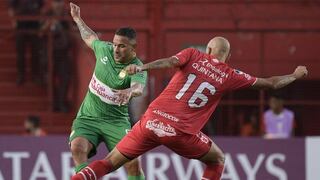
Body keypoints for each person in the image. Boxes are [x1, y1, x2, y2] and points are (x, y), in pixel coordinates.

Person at [72, 37, 308, 180]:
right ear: (227, 57)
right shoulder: (229, 74)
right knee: (217, 159)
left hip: (151, 120)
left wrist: (144, 67)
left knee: (109, 162)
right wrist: (295, 75)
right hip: (180, 132)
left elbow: (169, 62)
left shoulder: (192, 54)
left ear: (208, 49)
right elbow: (271, 83)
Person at [69, 3, 146, 179]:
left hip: (116, 122)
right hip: (88, 117)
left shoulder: (137, 67)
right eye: (115, 44)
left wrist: (130, 92)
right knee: (77, 147)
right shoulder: (105, 50)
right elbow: (90, 37)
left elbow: (138, 87)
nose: (116, 49)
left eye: (122, 46)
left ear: (133, 49)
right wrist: (78, 19)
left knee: (133, 164)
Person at [41, 0, 72, 112]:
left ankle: (62, 102)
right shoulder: (47, 14)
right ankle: (53, 103)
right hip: (49, 53)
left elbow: (74, 30)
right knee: (50, 79)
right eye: (56, 2)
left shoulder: (67, 15)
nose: (58, 5)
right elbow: (40, 33)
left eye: (60, 2)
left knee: (65, 78)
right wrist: (48, 25)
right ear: (52, 4)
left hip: (63, 52)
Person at [8, 0, 44, 85]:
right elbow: (11, 8)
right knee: (20, 53)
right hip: (20, 26)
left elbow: (42, 7)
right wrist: (13, 21)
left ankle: (35, 76)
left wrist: (41, 21)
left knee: (36, 53)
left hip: (34, 26)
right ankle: (21, 75)